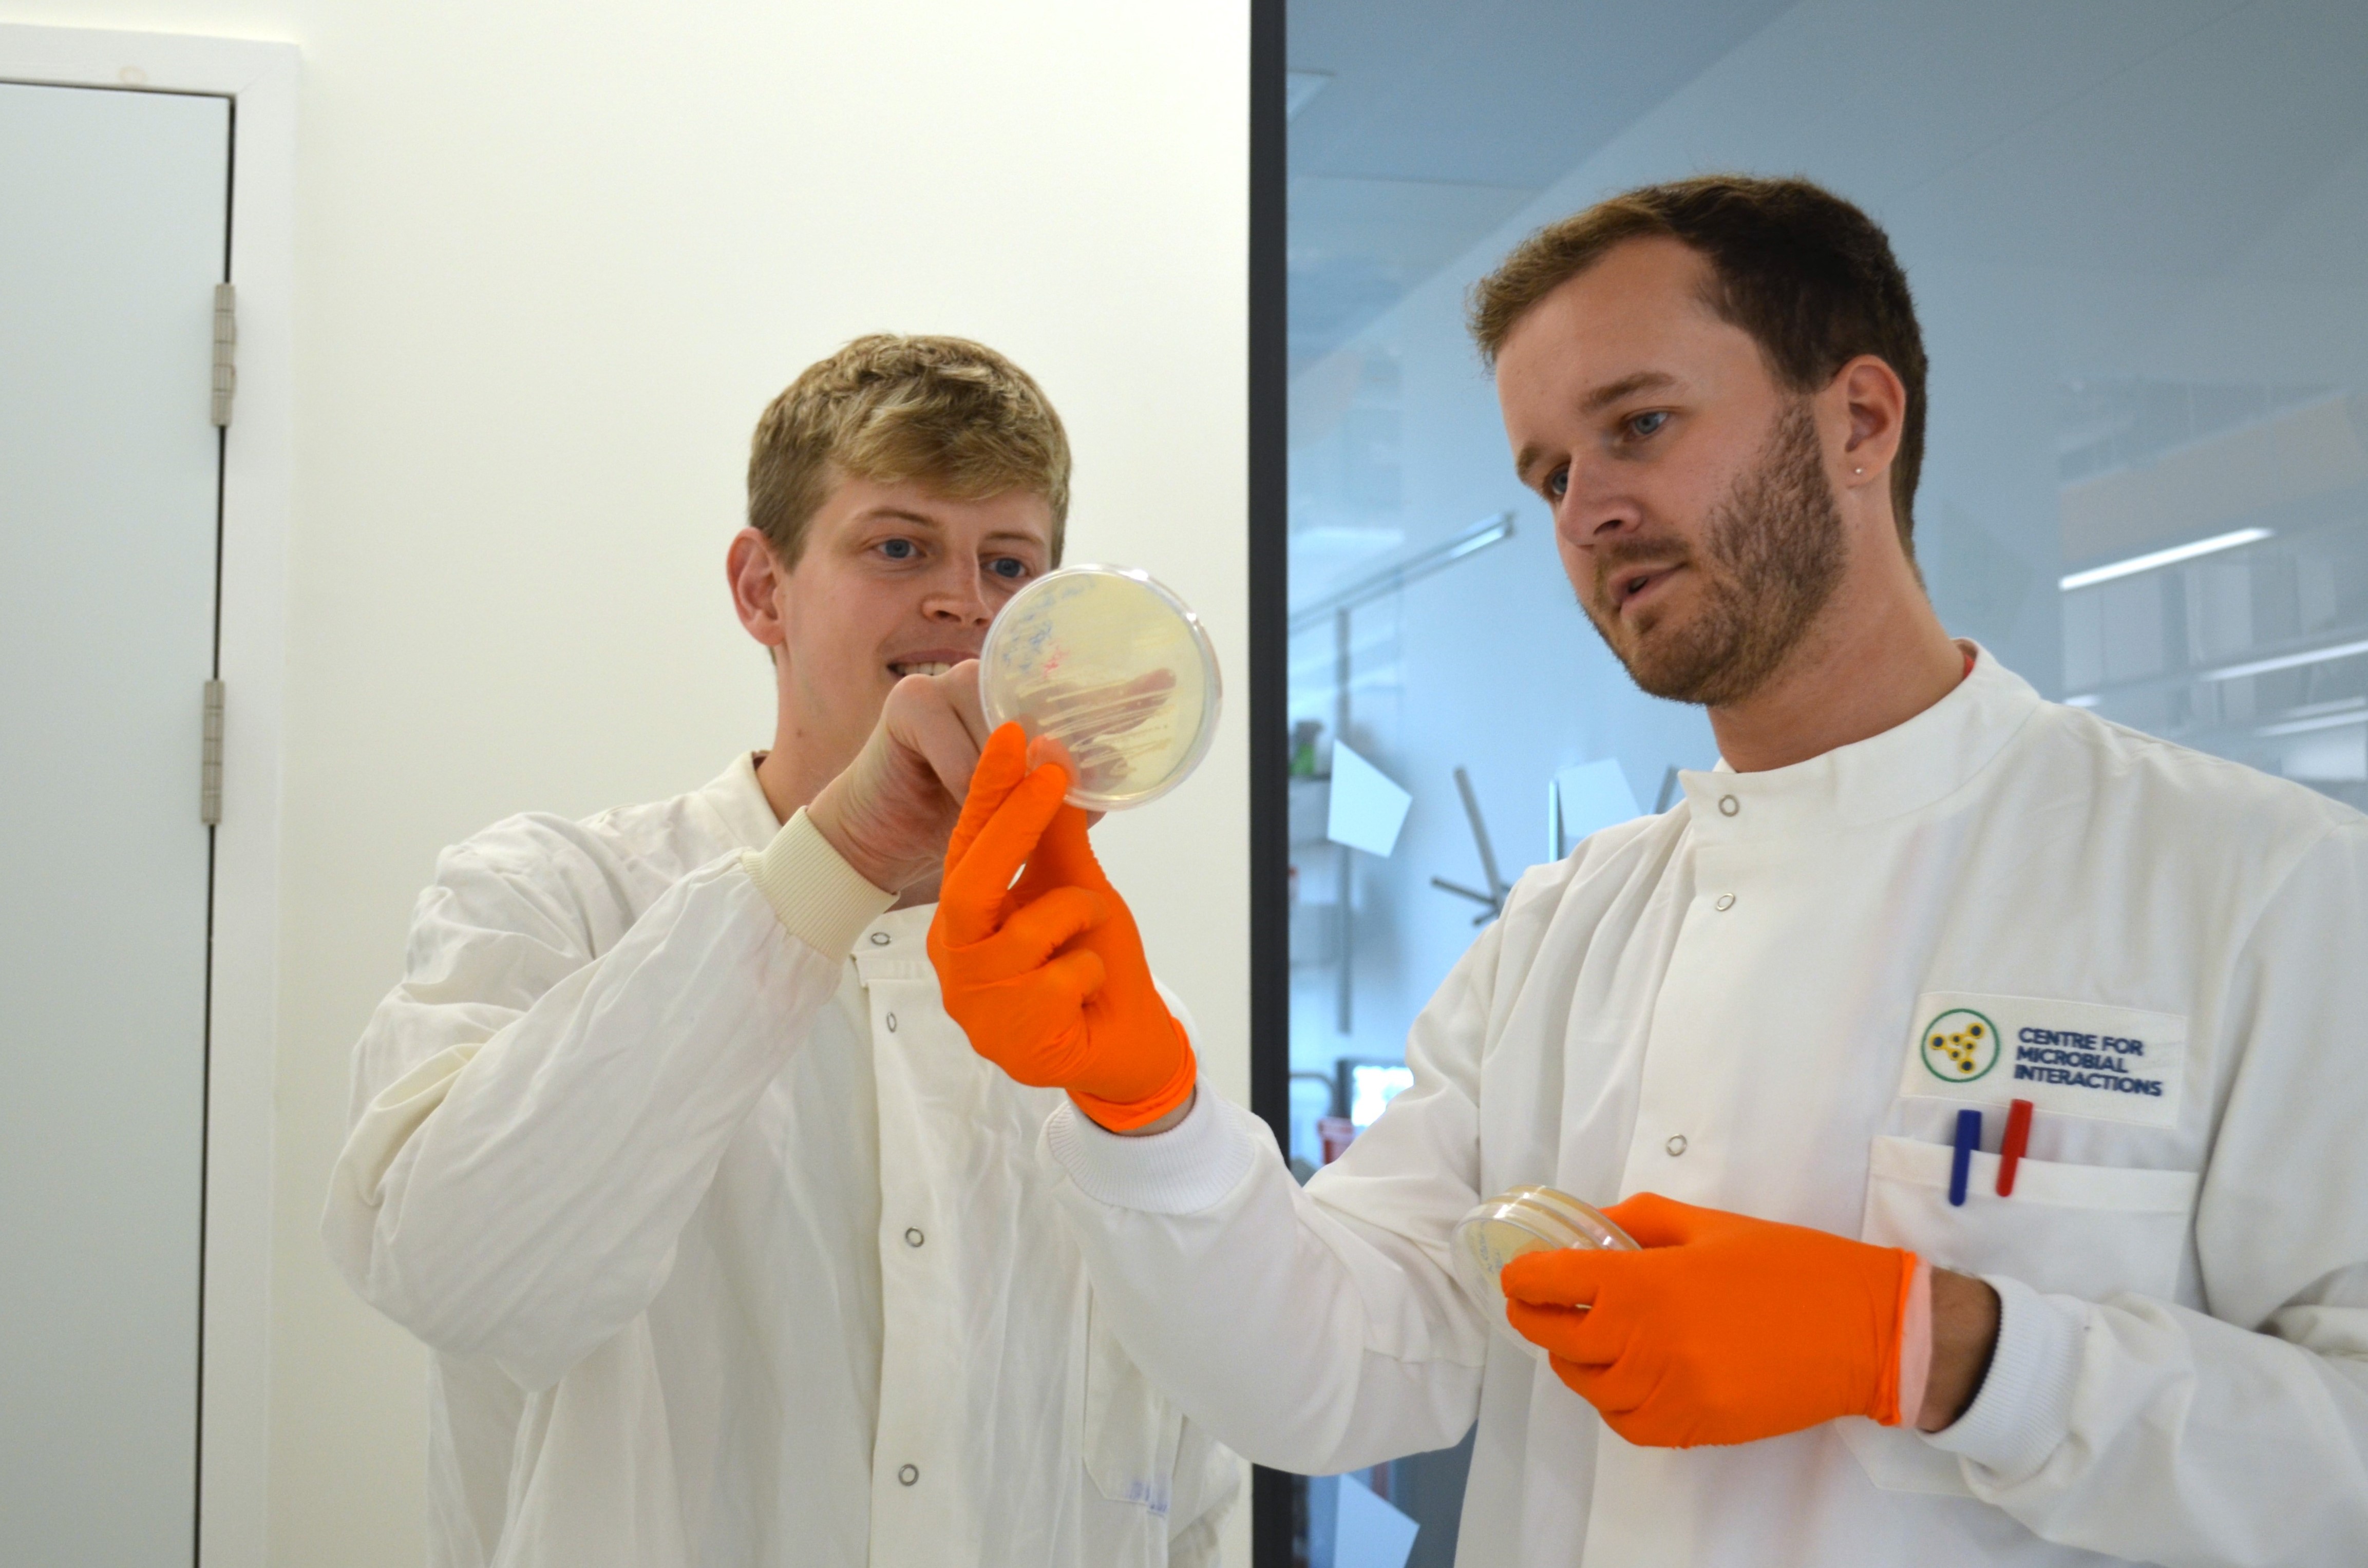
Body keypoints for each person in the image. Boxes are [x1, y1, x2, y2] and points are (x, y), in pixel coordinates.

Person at [930, 178, 2368, 1565]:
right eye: (1552, 470)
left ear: (1859, 418)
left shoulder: (2259, 885)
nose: (1584, 508)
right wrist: (1144, 1108)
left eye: (1640, 423)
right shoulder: (1558, 931)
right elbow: (1333, 1376)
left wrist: (1943, 1347)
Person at [323, 334, 1238, 1568]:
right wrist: (842, 851)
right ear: (763, 589)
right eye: (897, 545)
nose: (961, 602)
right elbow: (452, 1275)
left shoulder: (1100, 1015)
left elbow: (1182, 1476)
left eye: (1008, 564)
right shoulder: (552, 901)